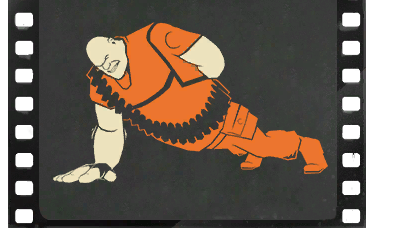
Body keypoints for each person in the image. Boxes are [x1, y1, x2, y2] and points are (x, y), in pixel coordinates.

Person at [53, 23, 328, 183]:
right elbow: (109, 129)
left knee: (260, 142)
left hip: (215, 112)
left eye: (107, 56)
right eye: (100, 65)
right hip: (188, 137)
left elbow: (212, 59)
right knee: (233, 144)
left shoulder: (154, 37)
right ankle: (251, 150)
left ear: (115, 42)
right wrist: (103, 164)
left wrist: (195, 85)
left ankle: (306, 146)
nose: (107, 65)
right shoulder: (100, 84)